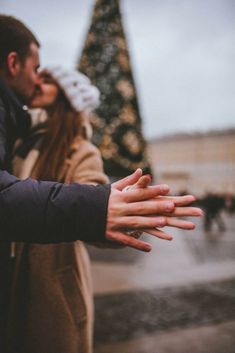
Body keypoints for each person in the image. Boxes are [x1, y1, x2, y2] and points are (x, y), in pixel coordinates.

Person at [0, 14, 202, 352]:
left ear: (66, 99)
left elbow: (99, 203)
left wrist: (125, 210)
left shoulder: (80, 150)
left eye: (47, 81)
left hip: (49, 295)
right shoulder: (22, 139)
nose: (37, 83)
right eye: (38, 74)